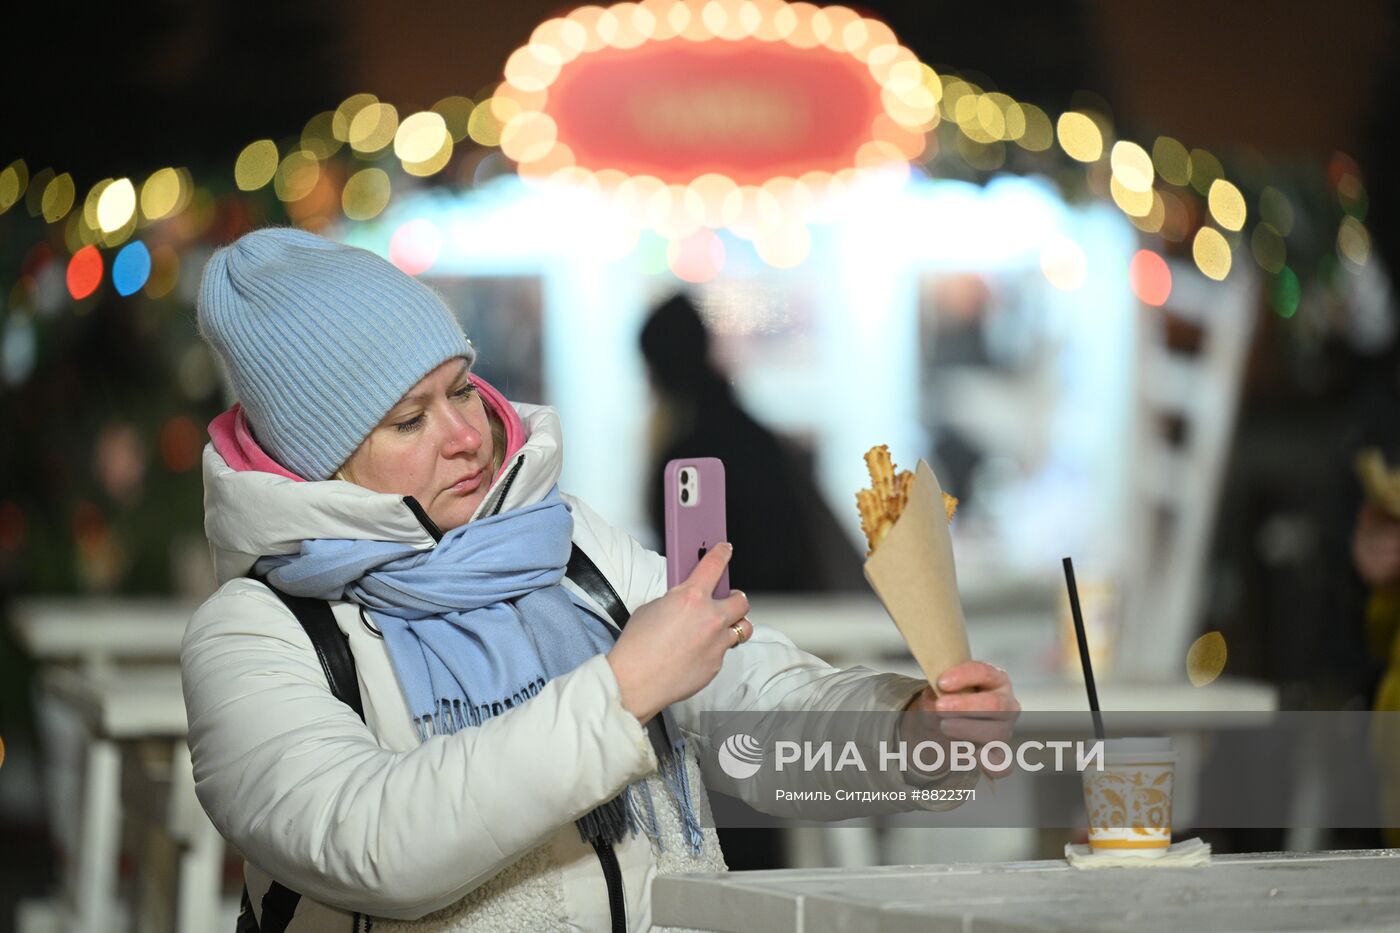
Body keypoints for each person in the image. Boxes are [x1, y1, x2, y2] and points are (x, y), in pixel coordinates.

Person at [182, 227, 1019, 932]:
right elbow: (373, 842)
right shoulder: (255, 630)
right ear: (315, 460)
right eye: (409, 418)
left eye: (463, 390)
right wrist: (620, 691)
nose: (466, 434)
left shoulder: (564, 539)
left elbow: (748, 698)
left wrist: (906, 734)